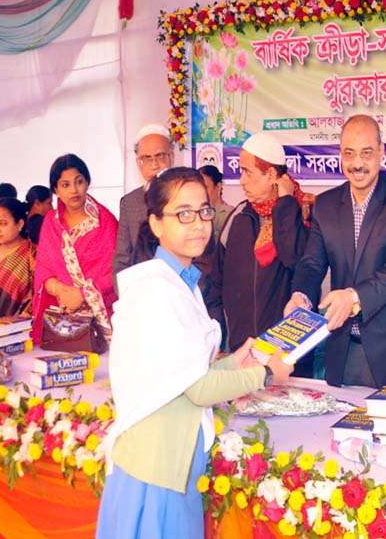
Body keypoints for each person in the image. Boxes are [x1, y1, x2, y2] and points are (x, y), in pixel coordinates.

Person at [96, 167, 293, 538]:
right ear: (156, 223)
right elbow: (197, 389)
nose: (199, 224)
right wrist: (267, 374)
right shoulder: (159, 291)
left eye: (204, 211)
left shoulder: (179, 281)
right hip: (155, 471)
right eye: (182, 214)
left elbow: (184, 373)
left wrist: (236, 361)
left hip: (169, 462)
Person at [285, 115, 386, 388]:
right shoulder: (325, 205)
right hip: (342, 346)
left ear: (381, 152)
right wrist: (300, 296)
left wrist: (354, 296)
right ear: (340, 154)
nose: (357, 163)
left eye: (366, 153)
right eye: (349, 154)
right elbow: (312, 263)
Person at [211, 133, 312, 372]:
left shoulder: (304, 213)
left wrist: (285, 203)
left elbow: (293, 257)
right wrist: (219, 338)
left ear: (271, 175)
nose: (241, 181)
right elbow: (216, 282)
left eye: (248, 172)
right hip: (242, 352)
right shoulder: (239, 217)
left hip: (288, 355)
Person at [32, 154, 118, 345]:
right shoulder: (50, 223)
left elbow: (116, 270)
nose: (74, 190)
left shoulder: (105, 222)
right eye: (65, 185)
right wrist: (61, 290)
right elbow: (43, 269)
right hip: (65, 320)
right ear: (56, 190)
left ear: (87, 182)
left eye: (78, 182)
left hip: (105, 317)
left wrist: (81, 294)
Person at [112, 123, 174, 287]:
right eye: (147, 158)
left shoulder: (187, 196)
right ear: (138, 163)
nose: (154, 165)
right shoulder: (129, 203)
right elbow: (121, 261)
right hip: (140, 296)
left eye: (160, 156)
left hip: (182, 295)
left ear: (171, 157)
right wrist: (132, 297)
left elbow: (203, 260)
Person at [198, 164, 233, 242]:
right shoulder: (196, 214)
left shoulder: (230, 214)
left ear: (218, 187)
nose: (201, 191)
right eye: (198, 187)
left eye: (205, 187)